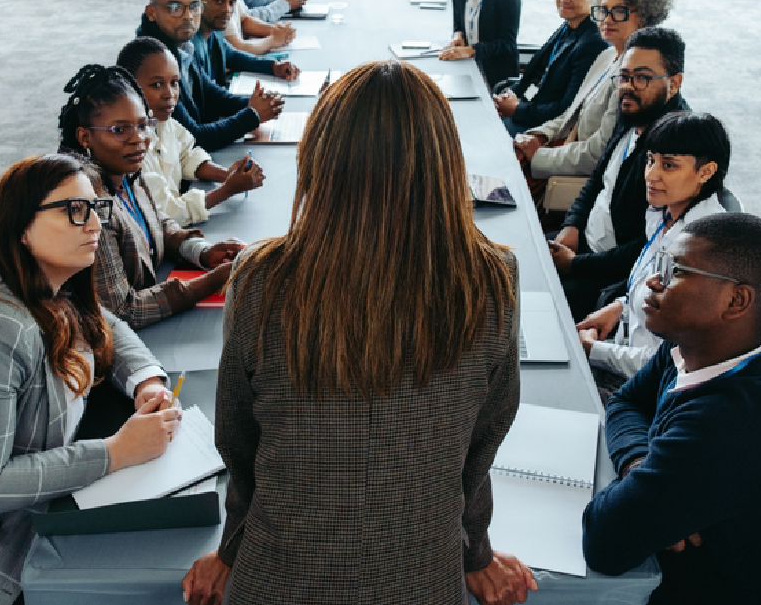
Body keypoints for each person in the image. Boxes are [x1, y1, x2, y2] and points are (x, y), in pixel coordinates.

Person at [181, 62, 537, 605]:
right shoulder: (493, 277)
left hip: (279, 577)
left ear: (319, 160)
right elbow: (481, 442)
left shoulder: (259, 275)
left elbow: (237, 439)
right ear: (445, 162)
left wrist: (231, 548)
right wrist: (475, 552)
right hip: (420, 578)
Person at [0, 153, 181, 605]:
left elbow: (105, 322)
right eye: (75, 211)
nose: (95, 224)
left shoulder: (45, 285)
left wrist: (147, 380)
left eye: (97, 208)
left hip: (49, 512)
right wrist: (116, 453)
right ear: (22, 228)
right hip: (7, 550)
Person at [583, 213, 761, 605]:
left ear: (736, 300)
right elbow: (626, 400)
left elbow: (603, 540)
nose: (654, 282)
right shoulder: (715, 341)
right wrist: (640, 463)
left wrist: (654, 490)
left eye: (676, 272)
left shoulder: (728, 428)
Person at [58, 64, 245, 329]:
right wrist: (213, 281)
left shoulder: (128, 173)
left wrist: (202, 253)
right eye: (119, 130)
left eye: (143, 125)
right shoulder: (91, 206)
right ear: (85, 137)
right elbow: (122, 311)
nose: (139, 139)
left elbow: (159, 224)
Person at [577, 112, 730, 400]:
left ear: (706, 172)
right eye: (650, 160)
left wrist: (592, 351)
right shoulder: (663, 216)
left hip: (641, 392)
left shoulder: (702, 252)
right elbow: (645, 288)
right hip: (618, 355)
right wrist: (619, 307)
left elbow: (666, 364)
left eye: (668, 165)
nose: (650, 174)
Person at [548, 27, 690, 323]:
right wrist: (572, 225)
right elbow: (596, 183)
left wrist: (576, 264)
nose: (627, 87)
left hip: (609, 276)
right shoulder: (631, 115)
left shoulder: (674, 149)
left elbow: (648, 244)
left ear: (674, 83)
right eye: (623, 77)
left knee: (524, 297)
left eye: (641, 78)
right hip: (582, 248)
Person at [514, 0, 676, 187]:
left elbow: (597, 153)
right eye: (603, 10)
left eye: (619, 11)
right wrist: (538, 136)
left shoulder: (633, 80)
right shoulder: (606, 56)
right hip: (562, 153)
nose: (607, 20)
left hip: (579, 181)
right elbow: (571, 115)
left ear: (645, 16)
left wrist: (539, 156)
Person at [117, 37, 265, 227]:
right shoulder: (131, 147)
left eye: (174, 83)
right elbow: (167, 214)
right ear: (128, 87)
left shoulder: (163, 122)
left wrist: (227, 175)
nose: (169, 94)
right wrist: (227, 190)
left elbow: (187, 155)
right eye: (156, 85)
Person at [137, 0, 284, 151]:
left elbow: (211, 94)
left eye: (194, 6)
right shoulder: (153, 62)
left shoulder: (182, 45)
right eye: (175, 8)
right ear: (152, 12)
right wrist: (251, 115)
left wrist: (256, 103)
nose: (188, 16)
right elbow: (194, 137)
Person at [493, 0, 611, 136]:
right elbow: (533, 76)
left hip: (544, 127)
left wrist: (516, 110)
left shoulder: (594, 43)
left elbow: (565, 109)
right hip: (529, 107)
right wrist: (507, 97)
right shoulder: (569, 25)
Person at [193, 0, 298, 89]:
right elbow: (210, 97)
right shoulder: (192, 45)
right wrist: (251, 104)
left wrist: (273, 66)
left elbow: (233, 56)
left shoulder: (214, 32)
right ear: (198, 2)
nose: (227, 9)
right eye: (219, 1)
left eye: (232, 2)